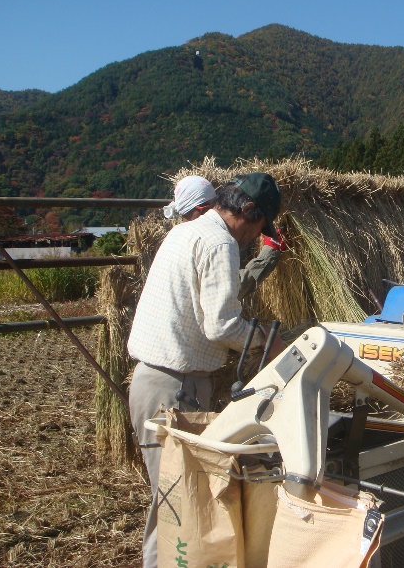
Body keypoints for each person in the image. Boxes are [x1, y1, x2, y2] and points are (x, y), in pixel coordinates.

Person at [128, 172, 287, 568]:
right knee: (175, 503)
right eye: (258, 226)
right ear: (247, 210)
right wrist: (268, 343)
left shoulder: (186, 231)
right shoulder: (220, 242)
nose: (254, 237)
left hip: (151, 381)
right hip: (176, 388)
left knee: (168, 499)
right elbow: (221, 325)